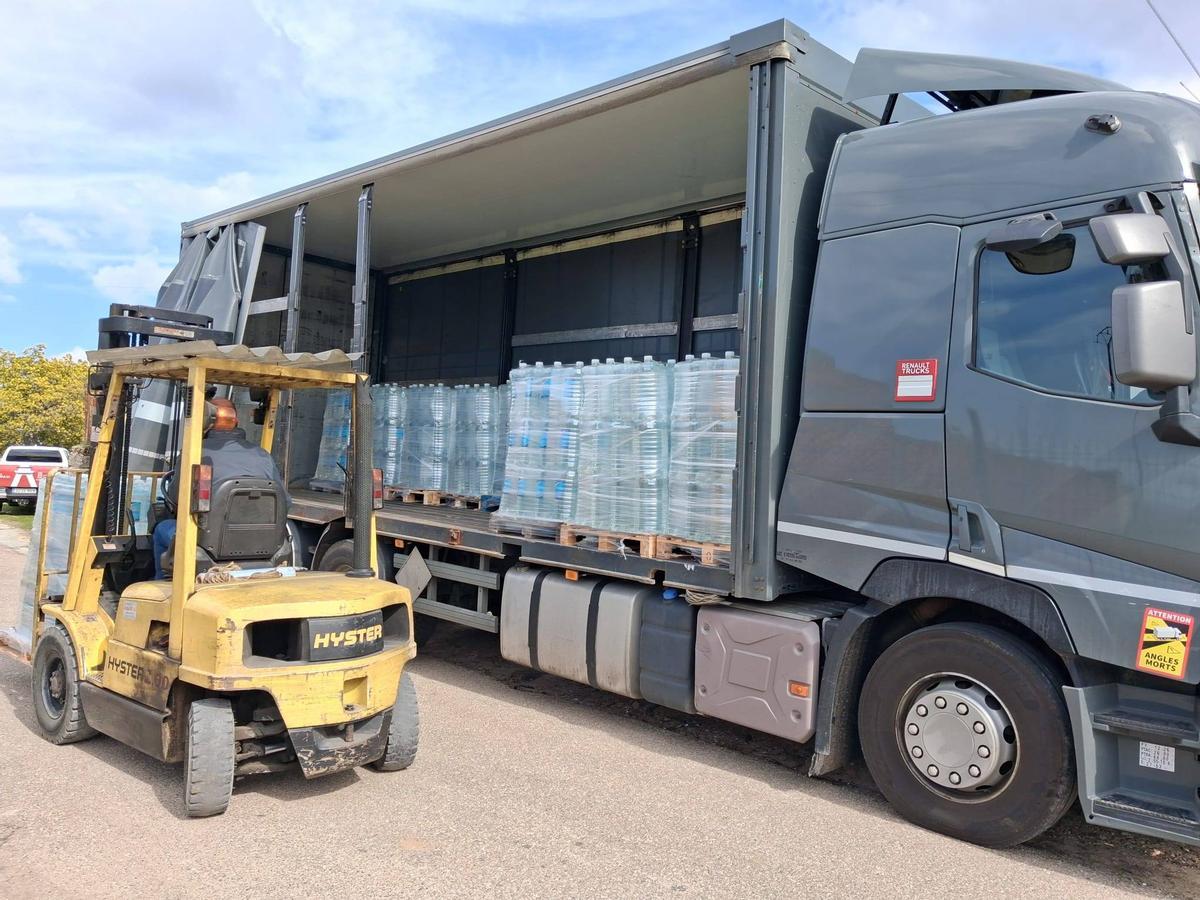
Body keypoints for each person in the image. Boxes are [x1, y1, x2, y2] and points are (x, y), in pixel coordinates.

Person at [153, 398, 287, 578]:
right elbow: (285, 502)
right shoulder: (263, 455)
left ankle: (161, 586)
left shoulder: (196, 453)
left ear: (205, 420)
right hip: (262, 546)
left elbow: (177, 499)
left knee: (161, 528)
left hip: (207, 546)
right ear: (236, 421)